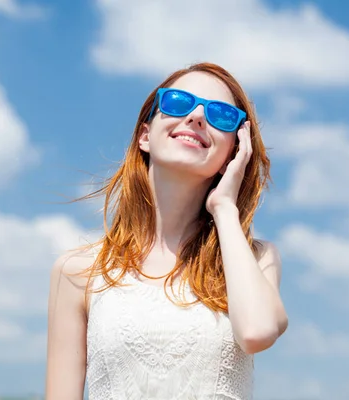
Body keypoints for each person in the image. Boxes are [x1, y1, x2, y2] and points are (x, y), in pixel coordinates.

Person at [45, 62, 288, 400]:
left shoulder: (257, 258)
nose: (198, 117)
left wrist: (224, 210)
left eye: (221, 115)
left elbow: (256, 332)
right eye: (177, 102)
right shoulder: (78, 271)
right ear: (145, 135)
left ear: (234, 152)